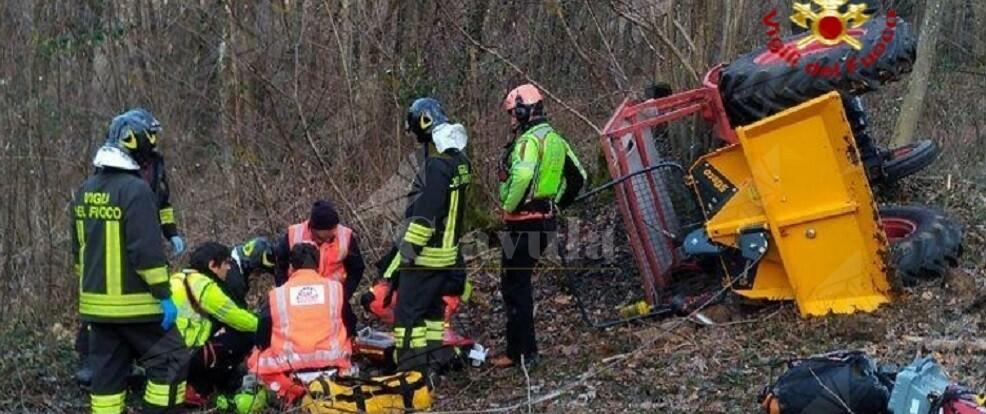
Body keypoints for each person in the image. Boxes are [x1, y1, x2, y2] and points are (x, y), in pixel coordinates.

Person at [72, 109, 189, 413]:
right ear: (134, 139)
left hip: (95, 310)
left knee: (107, 381)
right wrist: (164, 295)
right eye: (150, 136)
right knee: (172, 359)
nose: (153, 142)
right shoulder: (136, 191)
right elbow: (146, 254)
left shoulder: (84, 191)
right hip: (137, 306)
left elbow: (79, 252)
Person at [493, 84, 586, 368]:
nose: (511, 119)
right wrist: (556, 202)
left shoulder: (528, 142)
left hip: (522, 224)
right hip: (545, 223)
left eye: (513, 113)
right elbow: (579, 176)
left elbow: (521, 176)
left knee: (514, 286)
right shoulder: (556, 139)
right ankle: (519, 350)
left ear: (524, 110)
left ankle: (522, 352)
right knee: (517, 284)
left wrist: (509, 205)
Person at [381, 97, 471, 374]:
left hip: (425, 258)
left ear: (424, 121)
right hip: (447, 257)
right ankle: (435, 364)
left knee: (408, 320)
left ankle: (410, 376)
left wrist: (403, 258)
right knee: (432, 317)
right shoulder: (460, 160)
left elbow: (424, 219)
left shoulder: (436, 166)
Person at [249, 242, 352, 404]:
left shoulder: (277, 294)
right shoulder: (336, 289)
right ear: (319, 266)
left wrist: (260, 346)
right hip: (332, 359)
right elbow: (350, 322)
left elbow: (263, 332)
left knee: (255, 360)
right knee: (348, 342)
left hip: (290, 365)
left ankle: (292, 392)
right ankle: (340, 379)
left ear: (291, 267)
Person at [169, 242, 259, 403]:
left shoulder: (176, 278)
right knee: (243, 337)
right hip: (185, 357)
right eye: (225, 263)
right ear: (212, 265)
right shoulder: (203, 285)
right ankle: (200, 387)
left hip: (166, 354)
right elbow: (236, 317)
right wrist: (266, 325)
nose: (229, 268)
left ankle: (194, 385)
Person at [272, 200, 364, 338]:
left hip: (333, 298)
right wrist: (286, 292)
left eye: (330, 237)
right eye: (321, 238)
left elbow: (357, 268)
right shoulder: (294, 234)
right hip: (300, 297)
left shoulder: (345, 236)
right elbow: (280, 265)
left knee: (348, 327)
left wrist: (344, 295)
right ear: (311, 228)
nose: (326, 241)